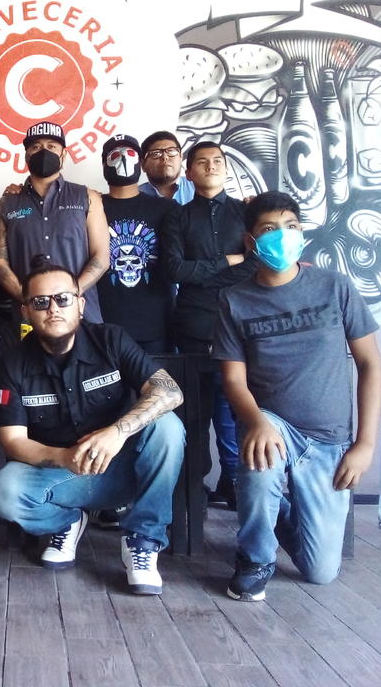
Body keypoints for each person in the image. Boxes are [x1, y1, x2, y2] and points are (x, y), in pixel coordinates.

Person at [214, 192, 381, 601]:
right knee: (260, 452)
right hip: (274, 425)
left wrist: (364, 445)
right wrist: (256, 422)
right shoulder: (234, 300)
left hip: (329, 439)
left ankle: (274, 509)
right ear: (251, 241)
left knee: (319, 571)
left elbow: (370, 365)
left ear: (302, 232)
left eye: (290, 226)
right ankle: (255, 558)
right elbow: (233, 379)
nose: (282, 236)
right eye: (269, 229)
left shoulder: (335, 287)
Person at [0, 259, 185, 594]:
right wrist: (64, 457)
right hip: (65, 475)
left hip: (127, 469)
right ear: (25, 311)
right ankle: (67, 522)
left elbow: (170, 392)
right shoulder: (13, 364)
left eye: (63, 299)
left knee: (166, 426)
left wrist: (117, 432)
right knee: (5, 491)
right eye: (40, 301)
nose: (53, 309)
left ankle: (143, 541)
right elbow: (12, 441)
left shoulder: (111, 339)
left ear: (80, 304)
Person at [161, 141, 257, 509]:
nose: (211, 166)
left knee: (235, 408)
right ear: (189, 173)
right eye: (202, 162)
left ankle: (234, 483)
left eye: (217, 161)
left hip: (239, 323)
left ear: (226, 168)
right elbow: (174, 269)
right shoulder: (178, 216)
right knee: (194, 412)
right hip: (193, 324)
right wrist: (228, 262)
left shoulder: (246, 212)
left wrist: (207, 271)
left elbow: (255, 263)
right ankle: (194, 486)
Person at [0, 121, 109, 321]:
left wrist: (70, 296)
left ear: (64, 154)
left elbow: (102, 258)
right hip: (28, 319)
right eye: (36, 147)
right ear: (26, 155)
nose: (44, 151)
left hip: (82, 317)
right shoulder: (6, 204)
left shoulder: (87, 197)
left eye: (52, 146)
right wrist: (31, 299)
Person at [95, 135, 177, 354]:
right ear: (103, 164)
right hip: (105, 325)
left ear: (140, 163)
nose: (122, 159)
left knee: (159, 378)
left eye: (130, 153)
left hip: (157, 325)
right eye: (115, 154)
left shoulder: (166, 208)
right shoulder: (91, 207)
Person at [138, 131, 194, 205]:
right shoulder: (134, 196)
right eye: (156, 153)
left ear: (181, 158)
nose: (165, 157)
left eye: (171, 151)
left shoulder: (198, 188)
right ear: (143, 165)